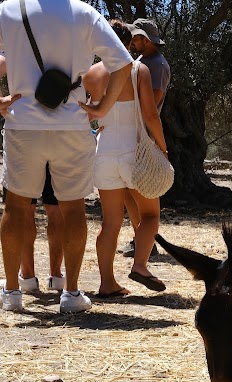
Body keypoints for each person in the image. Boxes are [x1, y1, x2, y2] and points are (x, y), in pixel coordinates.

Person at [0, 0, 133, 313]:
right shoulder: (84, 13)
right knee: (73, 208)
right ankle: (71, 294)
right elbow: (123, 63)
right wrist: (102, 109)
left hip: (23, 124)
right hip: (72, 125)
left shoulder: (9, 9)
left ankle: (11, 291)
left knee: (16, 206)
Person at [83, 20, 168, 297]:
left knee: (109, 222)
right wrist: (163, 148)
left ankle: (107, 284)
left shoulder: (91, 73)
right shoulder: (138, 69)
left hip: (104, 149)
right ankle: (140, 266)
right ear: (128, 41)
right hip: (134, 151)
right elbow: (150, 114)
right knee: (150, 215)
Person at [0, 55, 65, 293]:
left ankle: (27, 277)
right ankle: (57, 276)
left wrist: (2, 100)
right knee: (55, 208)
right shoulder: (63, 45)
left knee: (21, 208)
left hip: (23, 131)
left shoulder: (17, 49)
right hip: (61, 130)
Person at [119, 18, 170, 260]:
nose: (132, 41)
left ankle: (147, 243)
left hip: (144, 135)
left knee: (144, 191)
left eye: (136, 37)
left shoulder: (157, 65)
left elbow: (154, 101)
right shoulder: (141, 61)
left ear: (146, 39)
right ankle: (141, 241)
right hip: (132, 132)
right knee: (130, 192)